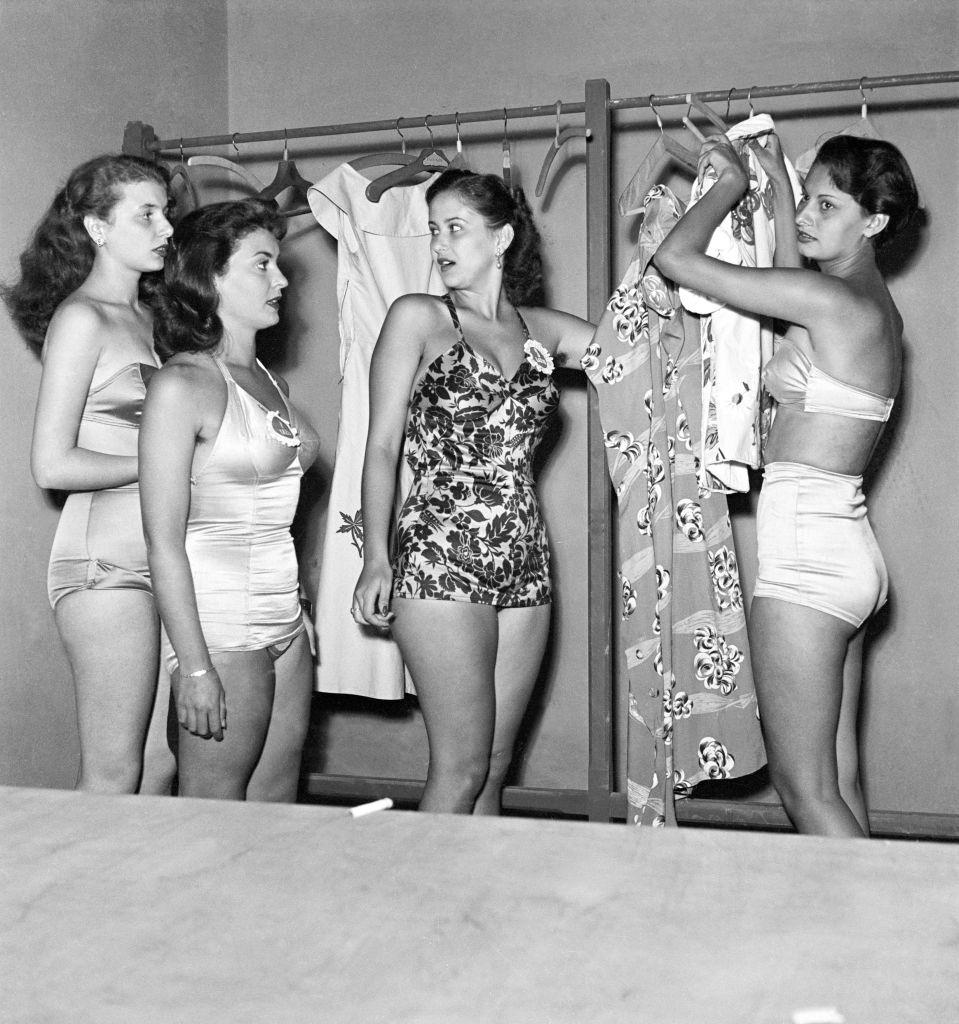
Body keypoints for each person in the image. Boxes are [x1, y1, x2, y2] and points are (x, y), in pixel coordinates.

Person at [654, 133, 920, 837]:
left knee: (805, 794)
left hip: (805, 561)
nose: (805, 216)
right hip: (846, 553)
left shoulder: (828, 300)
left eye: (825, 205)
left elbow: (674, 260)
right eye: (807, 199)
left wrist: (727, 186)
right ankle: (862, 938)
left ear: (873, 222)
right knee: (838, 782)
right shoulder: (867, 305)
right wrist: (776, 181)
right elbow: (792, 295)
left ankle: (897, 942)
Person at [352, 169, 594, 814]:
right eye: (434, 230)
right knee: (458, 769)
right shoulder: (419, 318)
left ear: (502, 237)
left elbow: (645, 353)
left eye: (454, 227)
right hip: (439, 554)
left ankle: (474, 912)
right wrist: (375, 556)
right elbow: (381, 448)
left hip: (526, 560)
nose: (439, 243)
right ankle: (414, 914)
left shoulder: (544, 331)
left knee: (492, 767)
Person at [3, 154, 177, 794]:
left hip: (164, 555)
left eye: (167, 213)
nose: (165, 229)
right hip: (103, 562)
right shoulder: (82, 319)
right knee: (113, 770)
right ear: (97, 229)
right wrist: (166, 464)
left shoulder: (154, 319)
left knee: (161, 763)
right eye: (147, 215)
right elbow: (51, 464)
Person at [140, 199, 319, 801]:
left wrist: (297, 608)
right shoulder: (181, 386)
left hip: (287, 625)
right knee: (210, 826)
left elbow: (271, 510)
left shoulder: (271, 380)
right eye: (261, 265)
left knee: (277, 819)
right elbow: (162, 543)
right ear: (209, 278)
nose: (282, 279)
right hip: (220, 630)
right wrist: (192, 667)